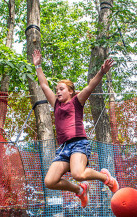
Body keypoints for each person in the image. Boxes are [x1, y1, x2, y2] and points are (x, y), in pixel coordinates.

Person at [32, 49, 119, 208]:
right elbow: (44, 85)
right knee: (50, 181)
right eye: (57, 89)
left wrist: (101, 71)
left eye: (61, 89)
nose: (57, 91)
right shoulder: (56, 104)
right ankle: (80, 190)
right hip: (64, 148)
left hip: (79, 143)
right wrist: (38, 66)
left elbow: (90, 87)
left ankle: (106, 178)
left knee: (78, 173)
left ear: (71, 92)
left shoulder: (77, 102)